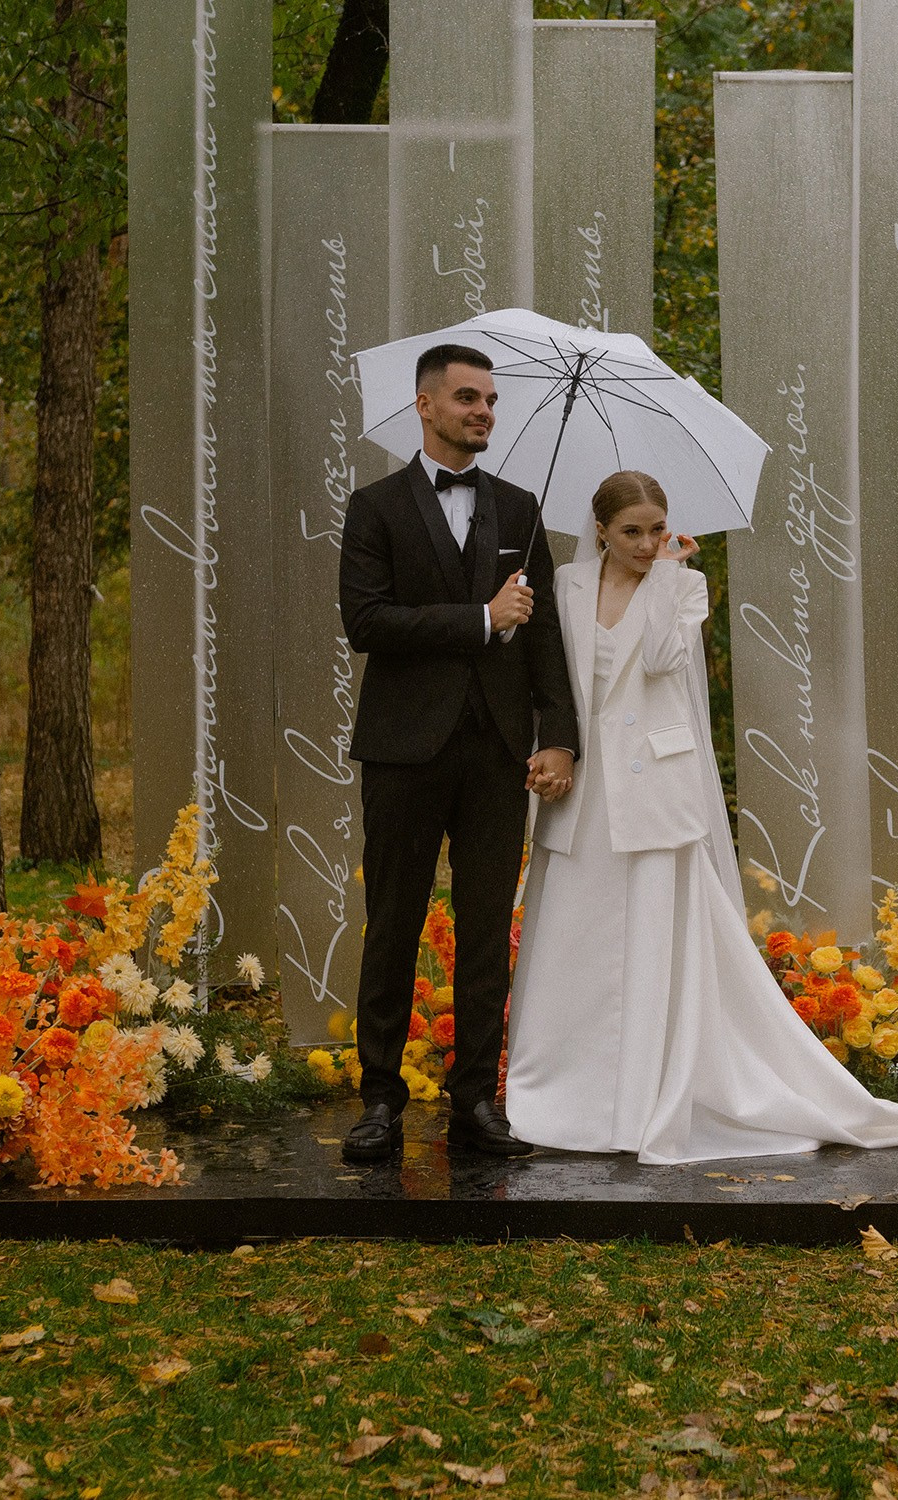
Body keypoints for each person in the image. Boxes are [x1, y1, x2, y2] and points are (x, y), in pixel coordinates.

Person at [504, 470, 898, 1163]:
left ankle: (643, 1094)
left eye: (657, 530)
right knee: (573, 939)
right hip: (583, 783)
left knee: (650, 935)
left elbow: (669, 662)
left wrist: (667, 582)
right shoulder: (566, 586)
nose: (646, 543)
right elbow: (550, 676)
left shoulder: (682, 586)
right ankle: (564, 1094)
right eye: (632, 532)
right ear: (601, 530)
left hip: (652, 784)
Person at [337, 344, 578, 1163]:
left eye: (490, 401)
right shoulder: (374, 508)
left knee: (484, 934)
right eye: (467, 398)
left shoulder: (520, 508)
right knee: (393, 927)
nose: (483, 411)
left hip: (498, 753)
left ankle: (477, 1102)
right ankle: (379, 1101)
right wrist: (479, 617)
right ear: (425, 405)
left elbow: (543, 632)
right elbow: (366, 623)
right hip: (404, 751)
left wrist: (562, 736)